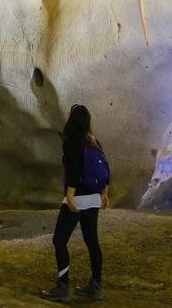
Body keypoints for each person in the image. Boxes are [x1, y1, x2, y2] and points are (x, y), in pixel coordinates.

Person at [40, 104, 109, 303]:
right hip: (94, 198)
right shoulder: (94, 141)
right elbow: (105, 168)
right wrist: (104, 193)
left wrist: (70, 197)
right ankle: (95, 286)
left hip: (77, 197)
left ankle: (62, 286)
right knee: (92, 241)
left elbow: (73, 170)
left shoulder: (71, 142)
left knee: (59, 241)